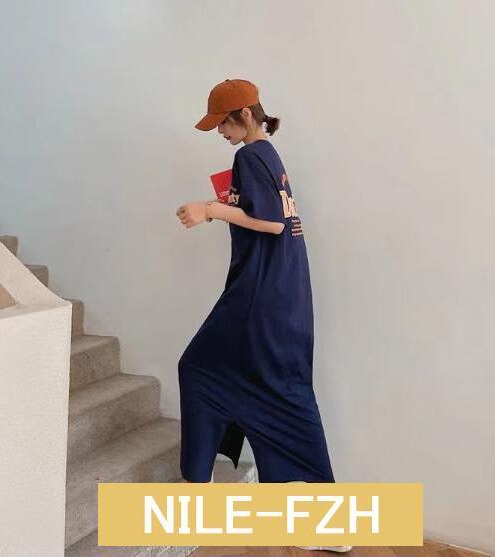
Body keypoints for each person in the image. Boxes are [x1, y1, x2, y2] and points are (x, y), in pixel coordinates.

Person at [175, 79, 352, 553]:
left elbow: (272, 223)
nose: (221, 133)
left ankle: (198, 485)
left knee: (199, 369)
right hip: (285, 296)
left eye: (223, 123)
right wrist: (227, 205)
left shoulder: (251, 156)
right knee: (282, 392)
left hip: (258, 298)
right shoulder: (270, 156)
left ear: (246, 115)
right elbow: (271, 217)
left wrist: (210, 209)